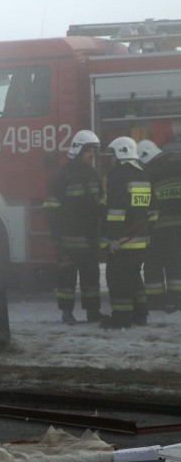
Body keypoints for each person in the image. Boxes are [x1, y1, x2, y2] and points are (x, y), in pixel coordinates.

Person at [42, 130, 107, 324]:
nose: (92, 155)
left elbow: (101, 203)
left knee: (91, 278)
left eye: (93, 152)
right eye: (89, 151)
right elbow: (51, 208)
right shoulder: (62, 175)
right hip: (68, 239)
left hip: (89, 238)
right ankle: (67, 313)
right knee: (67, 279)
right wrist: (56, 237)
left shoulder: (93, 174)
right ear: (78, 150)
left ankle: (93, 312)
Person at [99, 136, 158, 329]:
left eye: (112, 154)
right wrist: (147, 230)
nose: (110, 159)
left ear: (120, 152)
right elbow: (153, 211)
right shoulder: (143, 174)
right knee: (134, 278)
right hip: (141, 240)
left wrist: (111, 238)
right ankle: (140, 315)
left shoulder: (118, 176)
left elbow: (116, 211)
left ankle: (121, 318)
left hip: (123, 241)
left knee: (118, 280)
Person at [138, 140, 181, 313]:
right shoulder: (177, 166)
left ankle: (155, 300)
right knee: (176, 263)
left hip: (156, 228)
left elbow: (144, 204)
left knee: (153, 263)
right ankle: (176, 299)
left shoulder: (146, 174)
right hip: (179, 227)